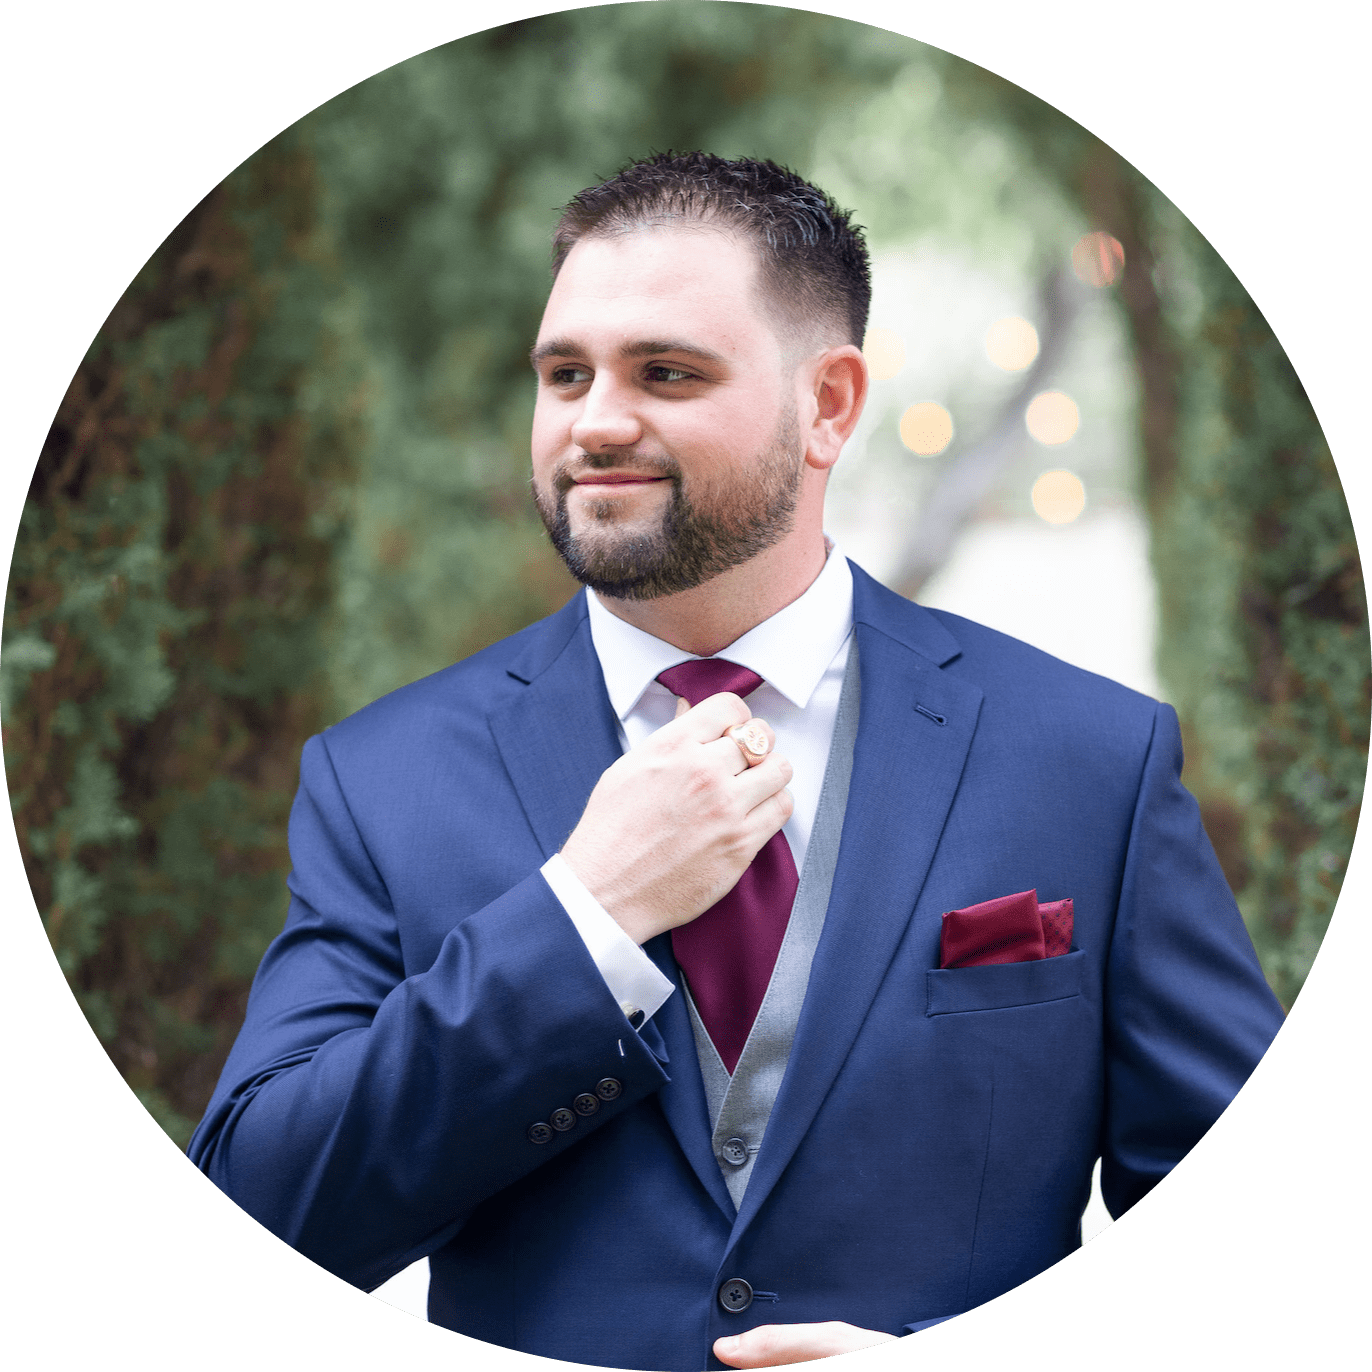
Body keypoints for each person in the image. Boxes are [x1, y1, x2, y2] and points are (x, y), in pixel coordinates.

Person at [189, 153, 1284, 1371]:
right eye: (565, 374)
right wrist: (585, 916)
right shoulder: (381, 780)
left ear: (829, 405)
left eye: (665, 372)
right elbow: (256, 1215)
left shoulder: (1087, 758)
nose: (595, 422)